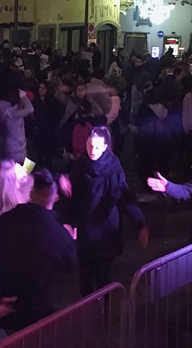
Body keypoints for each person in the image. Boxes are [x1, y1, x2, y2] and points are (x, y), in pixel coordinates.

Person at [0, 168, 77, 348]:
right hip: (39, 304)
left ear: (31, 193)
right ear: (54, 198)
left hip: (8, 298)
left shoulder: (7, 219)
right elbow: (69, 266)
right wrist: (71, 240)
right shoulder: (59, 234)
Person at [61, 126, 149, 296]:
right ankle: (87, 312)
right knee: (85, 279)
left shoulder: (114, 169)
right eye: (89, 145)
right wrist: (69, 221)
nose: (92, 150)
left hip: (106, 232)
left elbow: (124, 197)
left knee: (103, 279)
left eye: (97, 147)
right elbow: (73, 198)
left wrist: (140, 223)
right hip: (86, 231)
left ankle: (103, 313)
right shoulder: (80, 166)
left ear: (105, 147)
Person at [0, 85, 34, 165]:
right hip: (17, 147)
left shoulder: (3, 109)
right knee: (21, 170)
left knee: (13, 169)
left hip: (12, 144)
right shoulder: (13, 113)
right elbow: (30, 109)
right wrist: (24, 96)